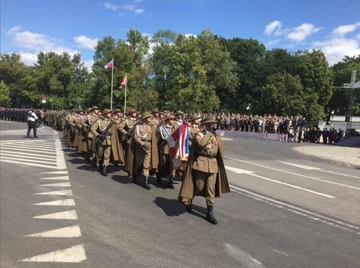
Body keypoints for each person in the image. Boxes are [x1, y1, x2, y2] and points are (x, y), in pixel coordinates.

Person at [178, 116, 230, 225]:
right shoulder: (199, 134)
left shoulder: (215, 136)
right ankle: (190, 199)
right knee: (198, 186)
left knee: (210, 190)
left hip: (213, 165)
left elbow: (218, 149)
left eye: (213, 124)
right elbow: (201, 144)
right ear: (205, 125)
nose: (212, 125)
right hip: (201, 164)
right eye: (210, 124)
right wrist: (209, 134)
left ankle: (209, 213)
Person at [129, 111, 159, 190]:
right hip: (140, 147)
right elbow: (136, 138)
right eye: (148, 117)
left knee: (146, 165)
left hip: (148, 147)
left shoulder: (151, 126)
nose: (150, 118)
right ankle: (135, 173)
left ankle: (145, 181)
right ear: (145, 119)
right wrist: (142, 144)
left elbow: (157, 133)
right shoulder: (138, 127)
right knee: (138, 163)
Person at [90, 109, 114, 176]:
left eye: (110, 113)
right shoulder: (99, 121)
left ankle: (104, 168)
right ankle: (100, 164)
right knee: (100, 155)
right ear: (105, 114)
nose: (110, 114)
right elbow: (92, 129)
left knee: (107, 155)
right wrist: (98, 135)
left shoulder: (112, 121)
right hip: (101, 141)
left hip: (109, 141)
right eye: (109, 113)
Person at [157, 114, 177, 189]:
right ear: (167, 120)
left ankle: (170, 181)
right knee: (162, 163)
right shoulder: (162, 129)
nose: (172, 121)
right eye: (171, 119)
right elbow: (159, 138)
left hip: (173, 149)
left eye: (173, 119)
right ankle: (158, 178)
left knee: (172, 166)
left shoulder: (175, 128)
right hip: (164, 148)